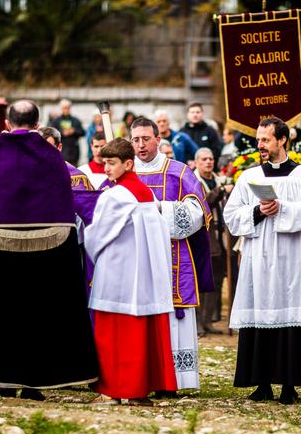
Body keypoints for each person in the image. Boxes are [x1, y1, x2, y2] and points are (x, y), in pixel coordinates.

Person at [0, 100, 98, 400]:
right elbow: (62, 202)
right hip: (47, 247)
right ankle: (33, 380)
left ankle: (2, 379)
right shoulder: (51, 156)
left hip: (2, 246)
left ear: (6, 124)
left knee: (4, 311)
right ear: (38, 125)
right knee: (38, 312)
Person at [224, 117, 301, 404]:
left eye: (266, 139)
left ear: (282, 139)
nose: (260, 145)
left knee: (291, 312)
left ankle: (290, 384)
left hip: (293, 257)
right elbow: (231, 217)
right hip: (259, 257)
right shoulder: (249, 177)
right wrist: (258, 212)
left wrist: (282, 208)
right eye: (258, 140)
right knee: (261, 311)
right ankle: (262, 382)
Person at [85, 138, 177, 406]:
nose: (106, 170)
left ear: (128, 163)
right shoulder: (146, 193)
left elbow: (97, 236)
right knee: (139, 336)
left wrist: (85, 237)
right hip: (146, 276)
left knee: (114, 336)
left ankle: (114, 389)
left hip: (119, 274)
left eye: (111, 164)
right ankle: (138, 391)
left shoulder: (114, 196)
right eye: (104, 164)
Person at [125, 117, 213, 394]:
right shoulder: (125, 174)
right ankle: (142, 375)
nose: (141, 145)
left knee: (173, 316)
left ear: (158, 140)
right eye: (135, 140)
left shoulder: (178, 172)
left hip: (173, 255)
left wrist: (160, 209)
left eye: (146, 139)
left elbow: (198, 213)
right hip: (137, 256)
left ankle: (174, 379)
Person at [193, 148, 232, 336]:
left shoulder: (218, 179)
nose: (208, 162)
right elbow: (203, 203)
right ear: (197, 162)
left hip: (220, 236)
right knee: (200, 281)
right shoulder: (193, 181)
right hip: (202, 236)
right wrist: (221, 190)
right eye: (204, 159)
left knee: (215, 281)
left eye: (211, 158)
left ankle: (208, 320)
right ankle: (198, 322)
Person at [50, 99, 85, 165]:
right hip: (61, 150)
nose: (66, 110)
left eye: (68, 108)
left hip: (74, 150)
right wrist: (62, 132)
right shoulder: (56, 121)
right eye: (64, 108)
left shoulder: (75, 120)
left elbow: (82, 132)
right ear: (61, 108)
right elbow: (51, 133)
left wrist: (73, 131)